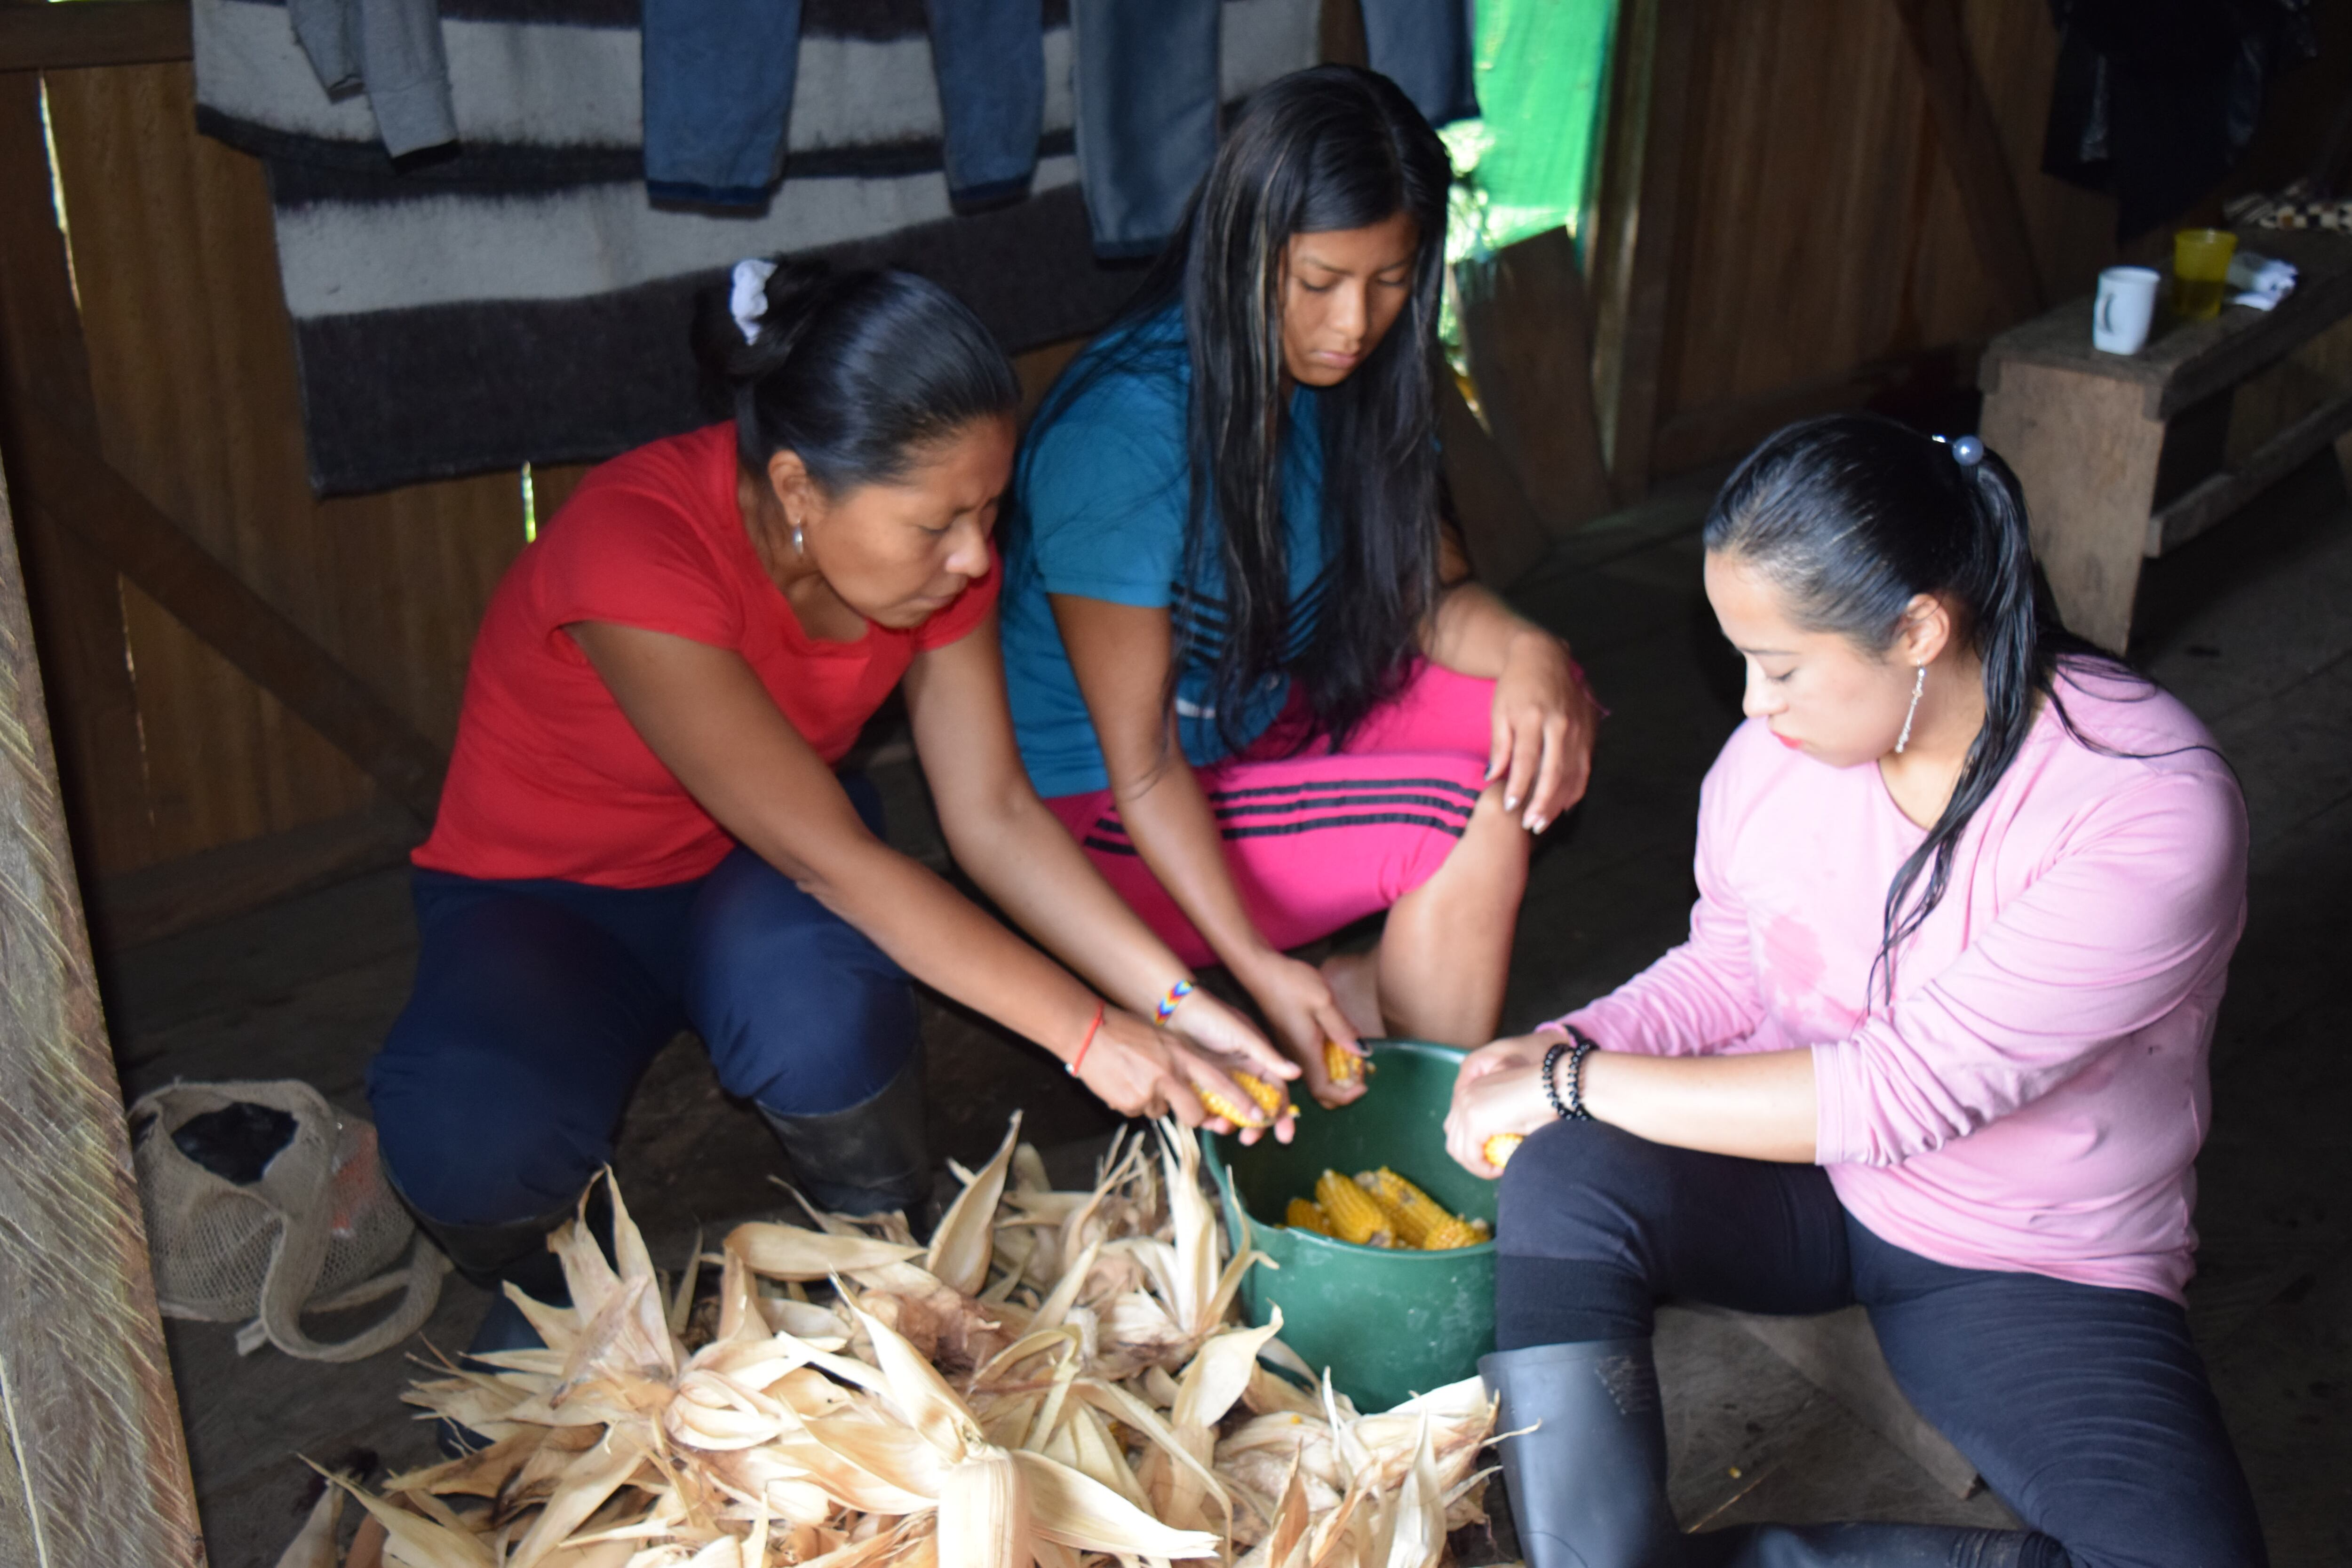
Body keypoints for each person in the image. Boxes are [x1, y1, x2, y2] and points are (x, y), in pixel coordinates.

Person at [367, 261, 1296, 1344]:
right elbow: (838, 865)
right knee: (466, 1140)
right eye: (939, 522)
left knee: (822, 1007)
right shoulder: (638, 548)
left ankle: (872, 1250)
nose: (975, 555)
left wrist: (1179, 1005)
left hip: (746, 876)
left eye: (990, 511)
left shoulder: (937, 569)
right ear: (800, 487)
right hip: (546, 901)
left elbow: (991, 810)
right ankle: (537, 1287)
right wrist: (1093, 1036)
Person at [1445, 416, 2265, 1568]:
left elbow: (1898, 1095)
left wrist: (1574, 1076)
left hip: (2022, 1254)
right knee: (1568, 1166)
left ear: (1920, 627)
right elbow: (1734, 960)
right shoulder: (1781, 757)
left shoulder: (2143, 810)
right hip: (1798, 1180)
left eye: (1777, 666)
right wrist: (1570, 1040)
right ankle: (1598, 1556)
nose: (1748, 703)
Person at [999, 64, 1600, 1103]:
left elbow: (1421, 595)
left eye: (1391, 278)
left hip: (1253, 735)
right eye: (1318, 281)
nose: (1354, 323)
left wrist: (1535, 652)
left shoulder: (1341, 380)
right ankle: (1417, 1119)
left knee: (1536, 710)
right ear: (1241, 249)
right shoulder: (1127, 434)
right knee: (1460, 813)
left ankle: (1381, 1006)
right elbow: (1139, 764)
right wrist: (1249, 972)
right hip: (1112, 820)